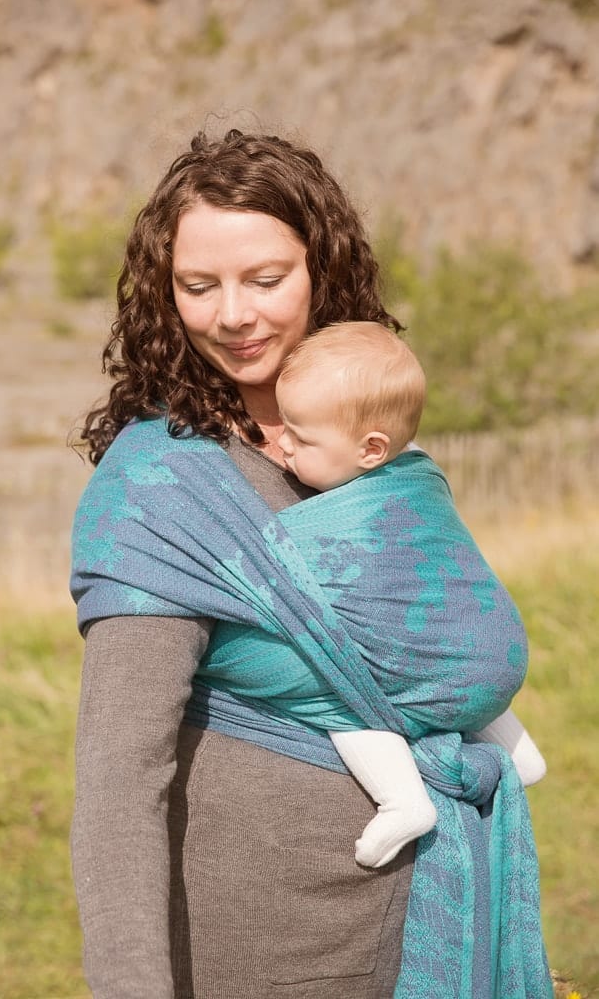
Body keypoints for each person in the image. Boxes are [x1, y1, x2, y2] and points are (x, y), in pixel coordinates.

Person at [70, 129, 553, 999]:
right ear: (162, 293)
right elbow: (116, 780)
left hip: (425, 912)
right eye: (197, 285)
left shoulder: (374, 459)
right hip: (262, 943)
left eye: (265, 279)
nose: (232, 315)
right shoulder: (160, 488)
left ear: (321, 272)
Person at [199, 320, 545, 871]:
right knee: (453, 652)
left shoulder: (356, 510)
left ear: (371, 448)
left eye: (302, 436)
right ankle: (518, 752)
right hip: (500, 662)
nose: (281, 441)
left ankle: (403, 800)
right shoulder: (418, 471)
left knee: (341, 688)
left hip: (448, 677)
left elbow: (286, 579)